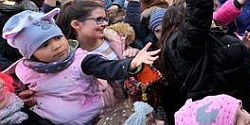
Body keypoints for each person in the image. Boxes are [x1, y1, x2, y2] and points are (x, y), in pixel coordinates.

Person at [1, 8, 159, 125]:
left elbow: (105, 67)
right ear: (30, 54)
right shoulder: (24, 69)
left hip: (95, 118)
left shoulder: (80, 60)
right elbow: (16, 89)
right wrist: (21, 98)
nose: (56, 46)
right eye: (44, 45)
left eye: (57, 38)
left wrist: (130, 64)